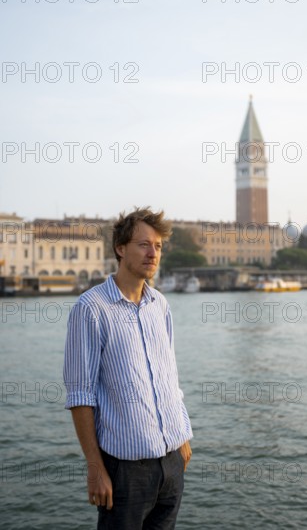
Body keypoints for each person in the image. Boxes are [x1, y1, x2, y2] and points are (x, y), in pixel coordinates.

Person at [63, 207, 193, 530]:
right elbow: (81, 396)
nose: (153, 253)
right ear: (120, 248)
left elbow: (168, 376)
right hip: (125, 471)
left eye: (159, 246)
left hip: (172, 463)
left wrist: (182, 433)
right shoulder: (91, 310)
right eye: (144, 245)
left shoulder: (160, 305)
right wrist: (95, 467)